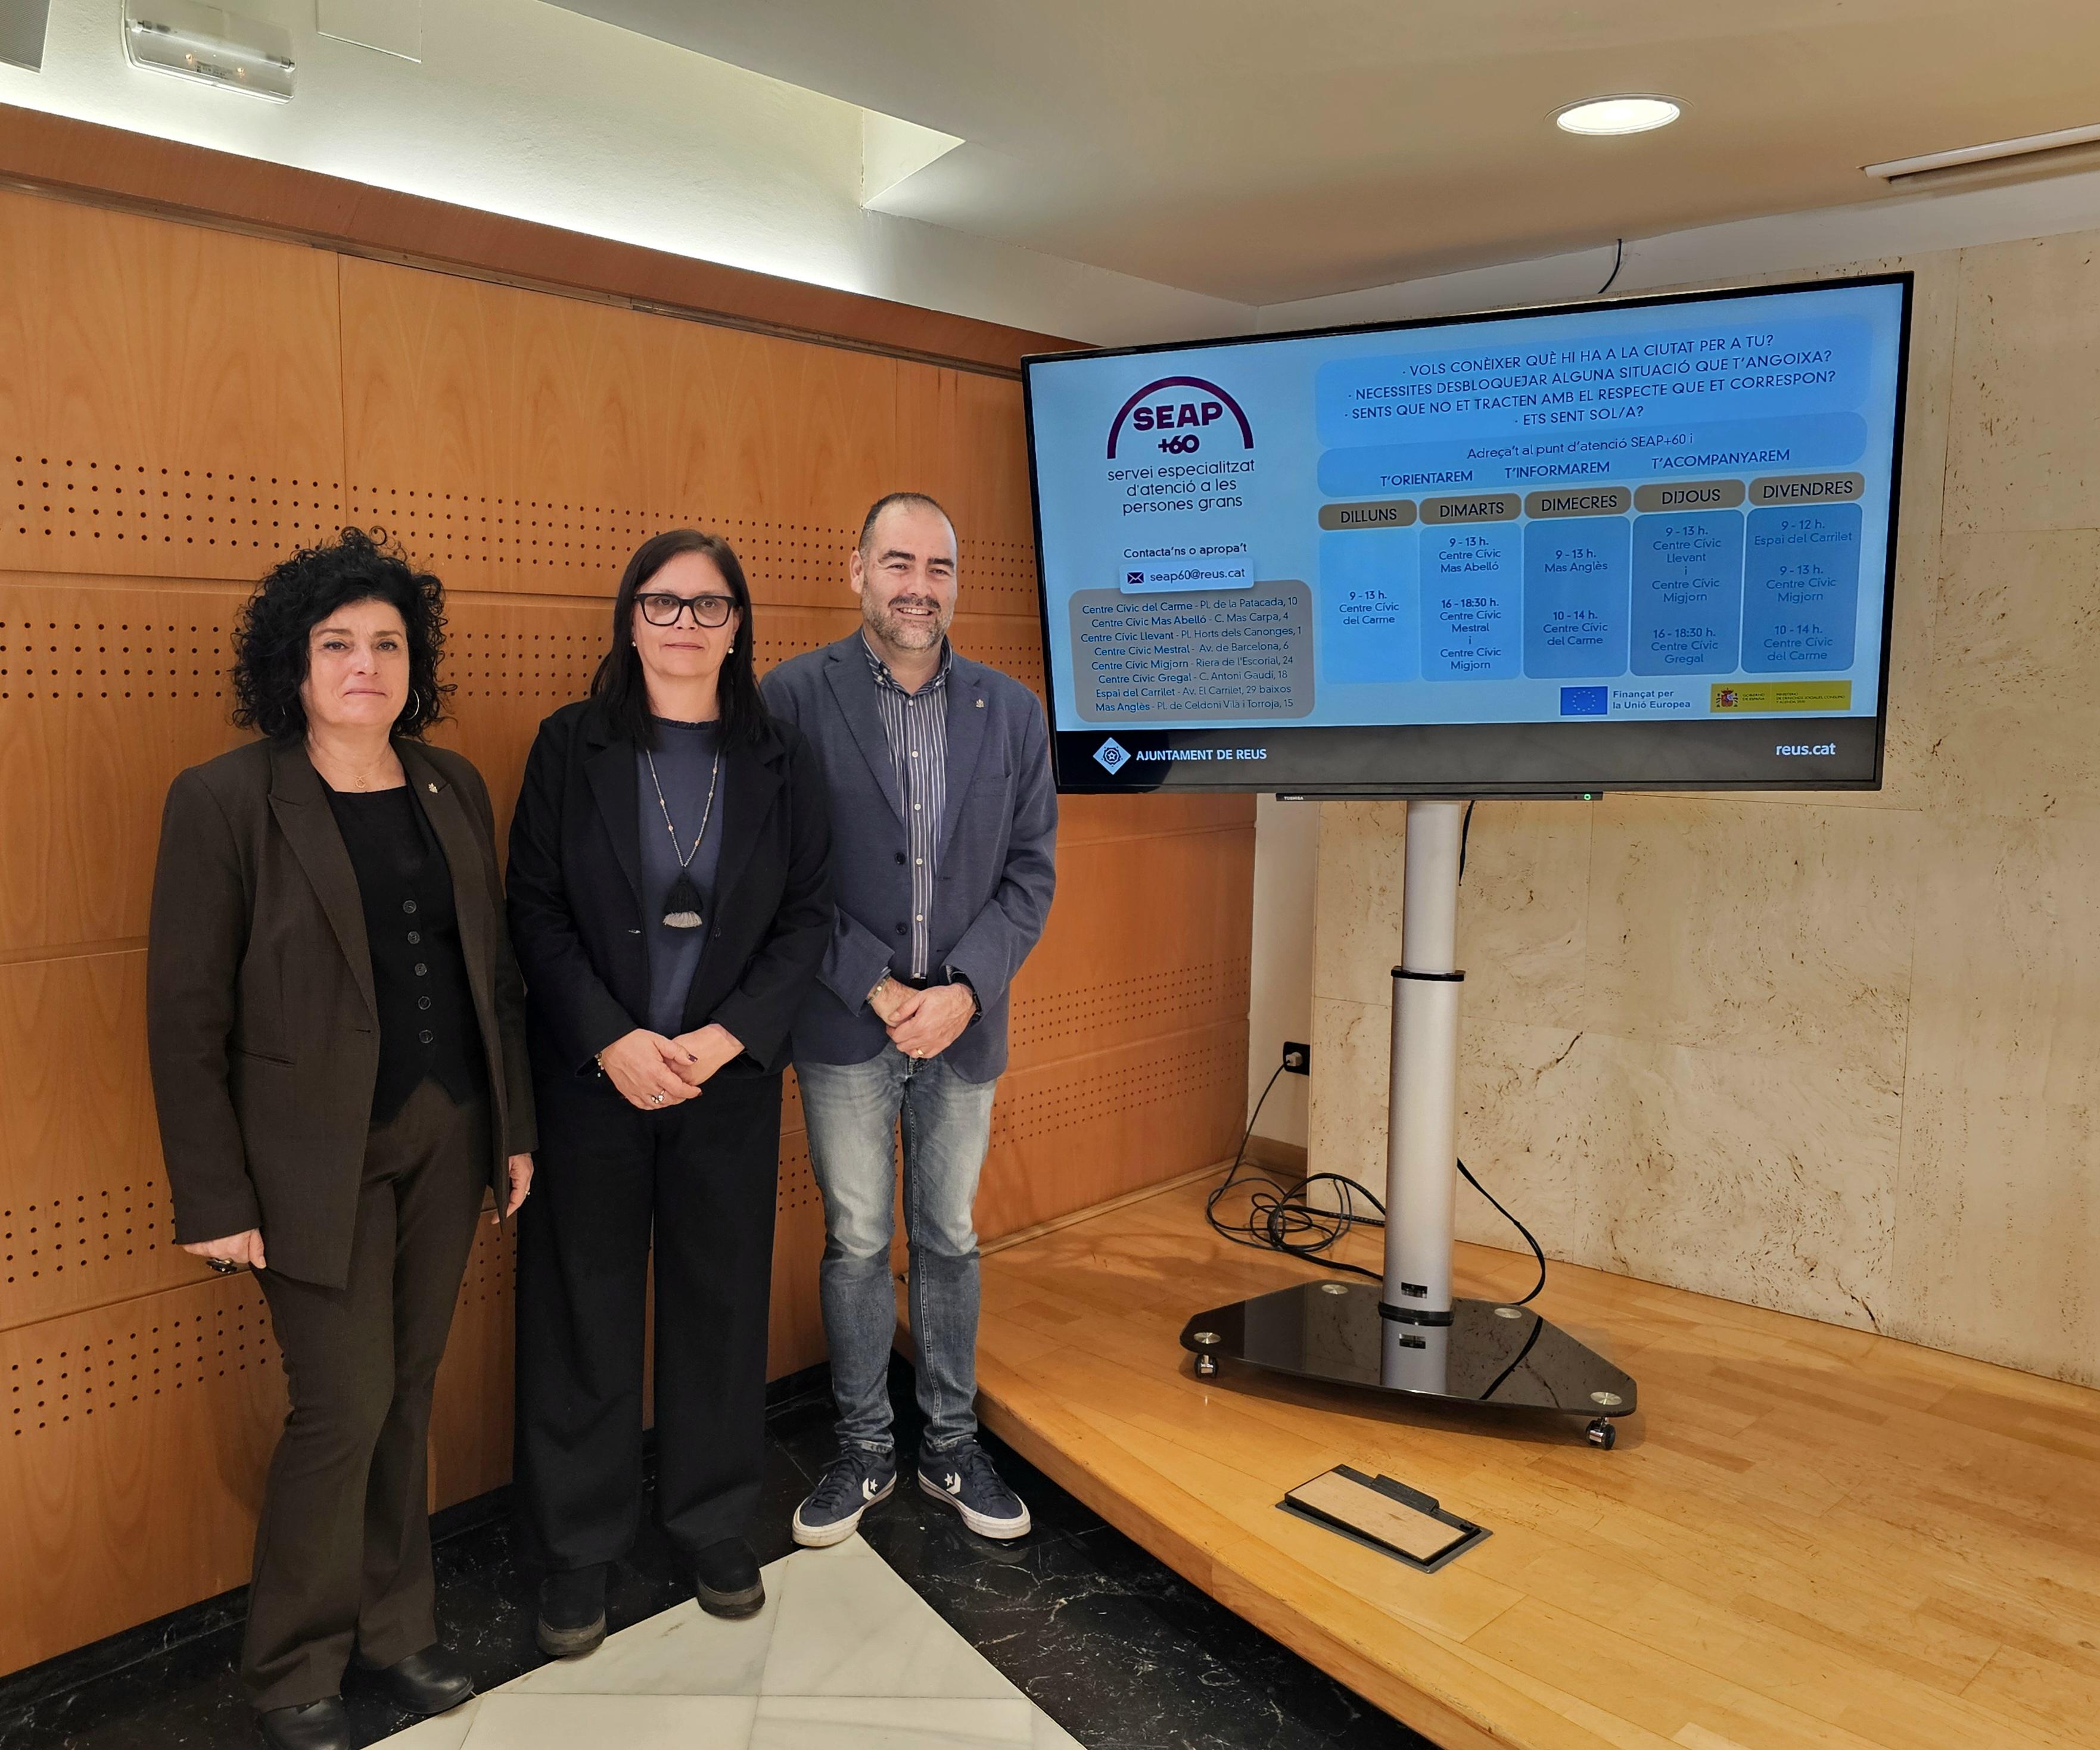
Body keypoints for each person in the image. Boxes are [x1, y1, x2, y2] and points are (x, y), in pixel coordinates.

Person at [147, 530, 536, 1750]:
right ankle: (292, 1664)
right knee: (343, 1403)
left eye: (386, 643)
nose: (365, 664)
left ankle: (395, 1628)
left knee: (407, 1392)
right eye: (336, 644)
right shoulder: (225, 800)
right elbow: (185, 1016)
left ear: (414, 663)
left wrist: (512, 1130)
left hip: (448, 1134)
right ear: (294, 665)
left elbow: (494, 978)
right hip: (307, 1163)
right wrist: (215, 1195)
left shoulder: (450, 784)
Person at [507, 530, 830, 1657]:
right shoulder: (570, 744)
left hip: (725, 1081)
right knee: (580, 1308)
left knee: (719, 1302)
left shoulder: (783, 757)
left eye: (708, 605)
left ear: (738, 627)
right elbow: (533, 909)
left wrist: (727, 1037)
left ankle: (711, 1520)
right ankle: (577, 1546)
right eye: (661, 603)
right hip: (593, 1080)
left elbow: (808, 917)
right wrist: (611, 1038)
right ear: (628, 622)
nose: (684, 624)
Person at [761, 492, 1057, 1549]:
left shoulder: (1011, 711)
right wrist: (882, 991)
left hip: (964, 1029)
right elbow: (779, 874)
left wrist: (963, 991)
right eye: (897, 563)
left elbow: (1030, 874)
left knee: (948, 1237)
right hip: (847, 1023)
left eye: (937, 568)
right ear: (857, 571)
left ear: (955, 583)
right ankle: (862, 1448)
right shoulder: (792, 697)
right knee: (855, 1239)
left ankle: (950, 1444)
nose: (917, 587)